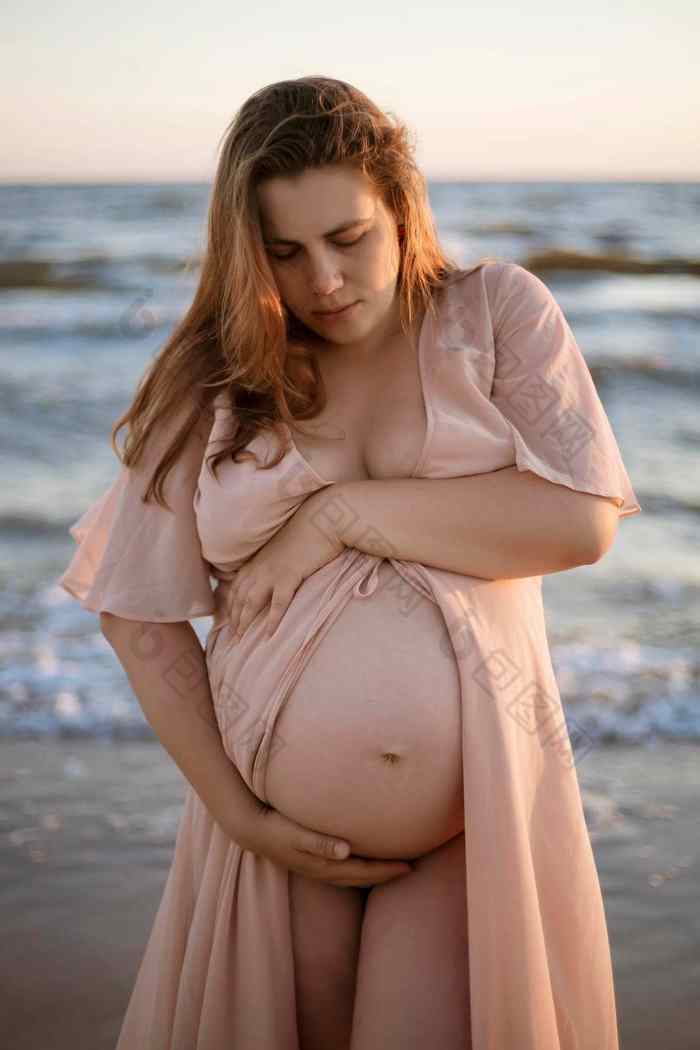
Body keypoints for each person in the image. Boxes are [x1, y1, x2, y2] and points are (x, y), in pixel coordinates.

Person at [58, 76, 641, 1050]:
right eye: (283, 253)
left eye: (349, 238)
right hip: (276, 843)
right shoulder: (216, 374)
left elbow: (578, 521)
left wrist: (340, 516)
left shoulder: (495, 314)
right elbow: (136, 613)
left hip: (472, 828)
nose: (322, 279)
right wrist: (240, 815)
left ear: (401, 208)